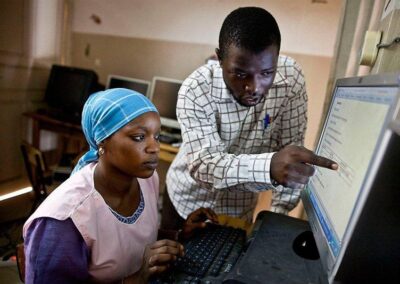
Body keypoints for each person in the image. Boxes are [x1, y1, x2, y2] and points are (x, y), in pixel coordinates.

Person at [162, 7, 338, 230]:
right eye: (240, 74)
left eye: (266, 73)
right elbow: (205, 167)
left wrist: (277, 218)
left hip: (238, 213)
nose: (254, 87)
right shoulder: (195, 90)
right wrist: (269, 167)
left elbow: (292, 153)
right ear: (219, 59)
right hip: (186, 203)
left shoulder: (291, 79)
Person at [23, 88, 218, 283]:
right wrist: (137, 279)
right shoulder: (62, 222)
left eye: (157, 136)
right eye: (139, 137)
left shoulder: (147, 180)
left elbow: (129, 240)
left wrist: (179, 235)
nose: (155, 148)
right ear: (102, 142)